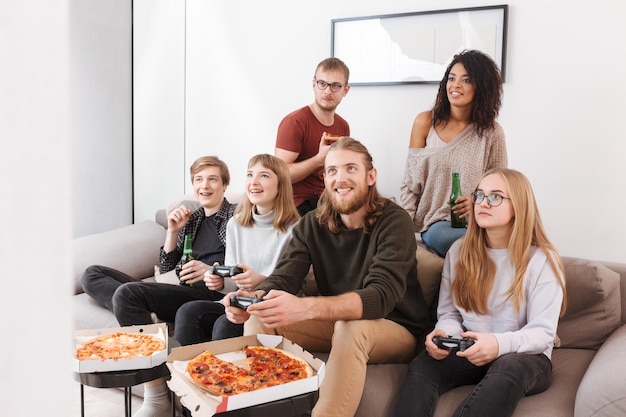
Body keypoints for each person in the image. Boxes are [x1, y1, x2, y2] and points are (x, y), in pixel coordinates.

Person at [223, 138, 430, 417]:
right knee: (263, 315)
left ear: (371, 176)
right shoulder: (312, 223)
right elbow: (285, 276)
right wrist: (251, 300)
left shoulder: (395, 221)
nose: (340, 178)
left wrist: (306, 306)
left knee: (350, 328)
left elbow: (380, 297)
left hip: (395, 328)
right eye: (332, 170)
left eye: (350, 169)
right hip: (338, 321)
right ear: (325, 178)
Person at [391, 168, 567, 417]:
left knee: (509, 367)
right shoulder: (459, 252)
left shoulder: (542, 260)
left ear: (519, 206)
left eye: (495, 197)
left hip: (524, 356)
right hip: (470, 348)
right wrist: (444, 335)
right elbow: (450, 313)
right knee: (424, 364)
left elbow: (543, 333)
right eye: (479, 195)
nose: (483, 203)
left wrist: (497, 344)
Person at [80, 155, 236, 417]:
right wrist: (173, 231)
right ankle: (144, 314)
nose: (205, 185)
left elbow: (239, 265)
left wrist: (211, 270)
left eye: (212, 179)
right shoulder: (193, 218)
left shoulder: (234, 218)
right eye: (199, 179)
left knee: (128, 294)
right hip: (177, 289)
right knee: (92, 274)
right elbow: (166, 268)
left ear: (224, 185)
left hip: (207, 295)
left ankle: (157, 393)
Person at [174, 154, 300, 345]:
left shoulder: (296, 229)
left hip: (271, 305)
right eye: (250, 175)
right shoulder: (235, 224)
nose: (254, 182)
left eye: (264, 176)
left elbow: (296, 286)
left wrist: (261, 281)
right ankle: (187, 373)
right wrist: (220, 282)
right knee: (187, 311)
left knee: (224, 325)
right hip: (239, 301)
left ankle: (223, 375)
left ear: (280, 185)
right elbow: (233, 283)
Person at [400, 49, 508, 257]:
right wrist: (403, 228)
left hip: (480, 221)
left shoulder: (492, 133)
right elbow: (410, 184)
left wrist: (476, 202)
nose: (455, 85)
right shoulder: (424, 123)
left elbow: (501, 188)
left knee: (522, 242)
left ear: (482, 87)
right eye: (451, 78)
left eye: (466, 80)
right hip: (436, 223)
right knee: (461, 243)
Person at [275, 57, 351, 216]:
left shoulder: (343, 126)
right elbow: (280, 175)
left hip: (330, 199)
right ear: (314, 85)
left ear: (345, 90)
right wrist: (318, 159)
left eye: (335, 86)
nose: (328, 91)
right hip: (298, 204)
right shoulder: (295, 122)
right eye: (322, 84)